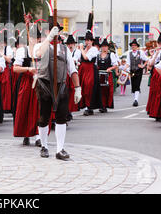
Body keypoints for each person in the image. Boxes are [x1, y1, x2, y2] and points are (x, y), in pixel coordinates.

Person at [34, 24, 82, 160]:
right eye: (52, 30)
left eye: (57, 31)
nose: (56, 33)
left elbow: (72, 70)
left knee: (62, 117)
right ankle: (44, 146)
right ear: (47, 31)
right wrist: (48, 38)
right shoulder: (40, 45)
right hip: (44, 85)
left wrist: (78, 88)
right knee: (44, 117)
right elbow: (38, 54)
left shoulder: (64, 49)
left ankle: (60, 149)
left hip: (61, 86)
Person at [12, 25, 41, 147]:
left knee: (38, 109)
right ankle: (26, 134)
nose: (35, 40)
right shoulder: (22, 51)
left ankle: (39, 135)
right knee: (24, 107)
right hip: (25, 82)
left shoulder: (41, 51)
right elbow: (15, 68)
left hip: (39, 82)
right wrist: (29, 68)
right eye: (32, 37)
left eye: (37, 38)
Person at [78, 31, 102, 116]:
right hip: (83, 70)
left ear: (92, 41)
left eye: (89, 40)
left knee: (89, 88)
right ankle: (86, 106)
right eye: (86, 40)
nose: (87, 42)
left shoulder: (94, 49)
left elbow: (86, 58)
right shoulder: (84, 49)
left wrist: (81, 49)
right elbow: (79, 59)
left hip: (90, 70)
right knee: (82, 87)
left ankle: (89, 106)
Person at [97, 38, 118, 113]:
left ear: (108, 47)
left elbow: (115, 65)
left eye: (106, 46)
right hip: (100, 74)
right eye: (103, 46)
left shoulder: (111, 55)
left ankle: (105, 105)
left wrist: (110, 68)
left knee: (107, 91)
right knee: (100, 90)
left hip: (107, 75)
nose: (104, 48)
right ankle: (101, 105)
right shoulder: (98, 55)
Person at [125, 39, 148, 106]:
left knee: (137, 85)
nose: (133, 46)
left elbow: (147, 59)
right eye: (132, 45)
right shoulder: (129, 53)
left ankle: (136, 100)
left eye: (135, 45)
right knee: (133, 86)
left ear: (137, 46)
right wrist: (124, 69)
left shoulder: (140, 52)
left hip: (138, 71)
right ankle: (134, 99)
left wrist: (143, 66)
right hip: (132, 71)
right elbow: (128, 63)